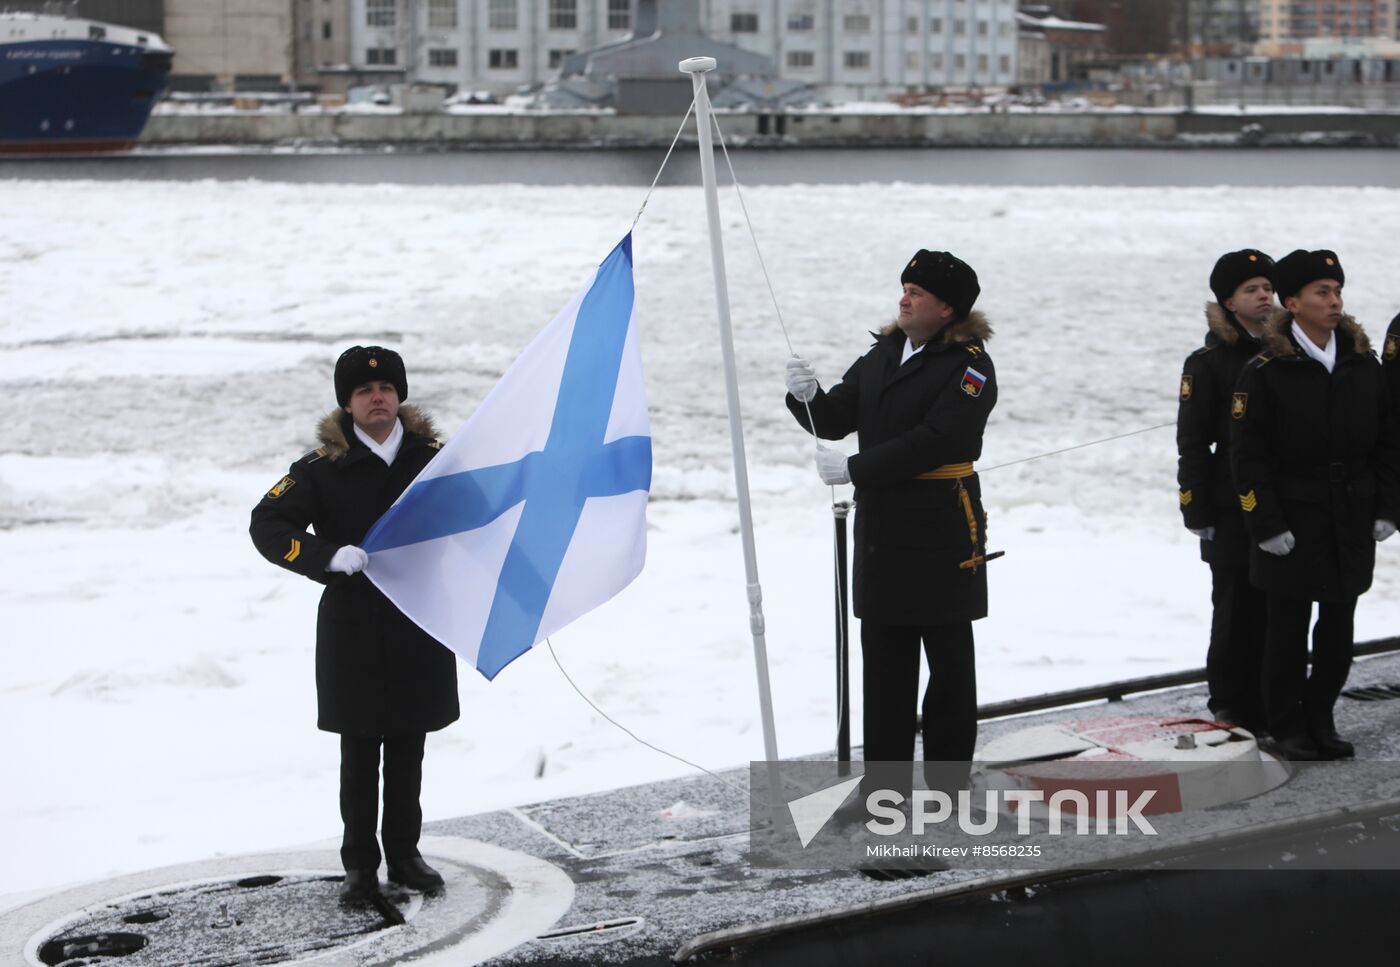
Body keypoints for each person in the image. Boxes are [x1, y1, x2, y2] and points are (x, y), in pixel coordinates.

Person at [783, 250, 995, 803]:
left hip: (942, 527)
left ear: (948, 309)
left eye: (917, 292)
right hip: (881, 530)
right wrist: (805, 397)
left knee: (948, 668)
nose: (904, 298)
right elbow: (834, 418)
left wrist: (855, 468)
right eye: (903, 287)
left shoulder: (970, 367)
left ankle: (949, 786)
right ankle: (885, 789)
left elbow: (937, 440)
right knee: (883, 669)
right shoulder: (882, 354)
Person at [250, 346, 459, 901]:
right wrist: (324, 556)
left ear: (400, 396)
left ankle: (406, 855)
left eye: (387, 388)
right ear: (348, 402)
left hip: (420, 621)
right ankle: (360, 866)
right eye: (365, 391)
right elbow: (268, 522)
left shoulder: (435, 459)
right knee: (361, 752)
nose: (377, 397)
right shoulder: (322, 467)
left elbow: (475, 511)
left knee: (409, 745)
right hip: (355, 629)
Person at [1230, 251, 1399, 760]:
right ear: (1293, 302)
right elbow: (1247, 457)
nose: (1334, 301)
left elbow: (1388, 441)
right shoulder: (1265, 370)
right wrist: (1265, 523)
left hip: (1349, 512)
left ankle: (1321, 718)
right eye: (1322, 292)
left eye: (1337, 291)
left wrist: (1388, 506)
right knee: (1286, 628)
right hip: (1293, 514)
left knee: (1338, 624)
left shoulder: (1360, 364)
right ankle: (1287, 726)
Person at [1176, 250, 1276, 734]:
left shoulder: (1286, 352)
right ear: (1229, 301)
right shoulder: (1209, 362)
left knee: (1277, 606)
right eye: (1252, 290)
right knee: (1234, 605)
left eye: (1268, 288)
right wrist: (1194, 507)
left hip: (1279, 498)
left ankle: (1274, 698)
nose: (1264, 297)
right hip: (1227, 499)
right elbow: (1192, 442)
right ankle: (1230, 703)